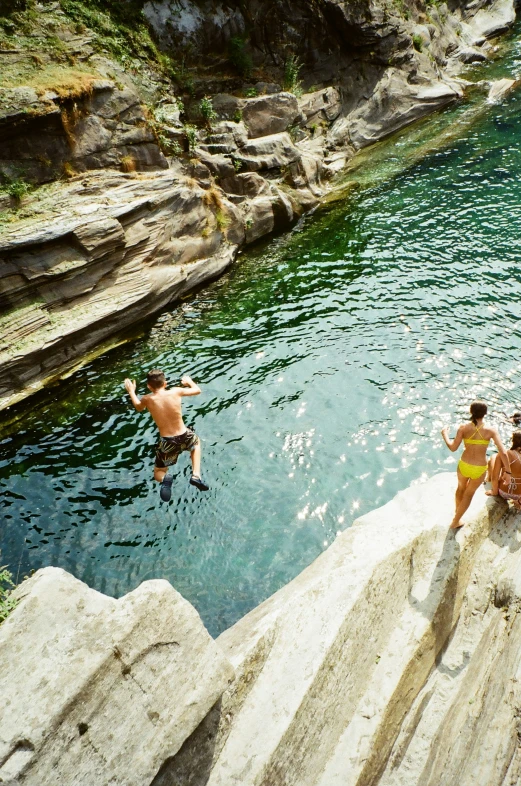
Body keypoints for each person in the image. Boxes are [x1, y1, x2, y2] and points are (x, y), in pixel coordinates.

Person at [124, 369, 209, 502]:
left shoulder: (147, 399)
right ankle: (196, 475)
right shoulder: (176, 391)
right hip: (184, 434)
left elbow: (138, 407)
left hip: (167, 442)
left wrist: (131, 392)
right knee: (196, 444)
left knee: (158, 471)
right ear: (165, 383)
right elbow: (197, 390)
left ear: (148, 386)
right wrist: (188, 382)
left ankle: (165, 479)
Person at [441, 401, 510, 529]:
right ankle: (456, 520)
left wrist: (445, 434)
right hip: (479, 468)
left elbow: (453, 447)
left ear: (470, 412)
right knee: (468, 494)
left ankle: (458, 512)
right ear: (485, 414)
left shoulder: (463, 428)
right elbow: (503, 452)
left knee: (460, 489)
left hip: (464, 465)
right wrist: (508, 472)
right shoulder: (490, 431)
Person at [486, 430, 521, 509]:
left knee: (493, 457)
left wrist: (494, 492)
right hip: (519, 495)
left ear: (513, 441)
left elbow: (495, 477)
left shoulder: (507, 453)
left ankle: (488, 478)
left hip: (504, 492)